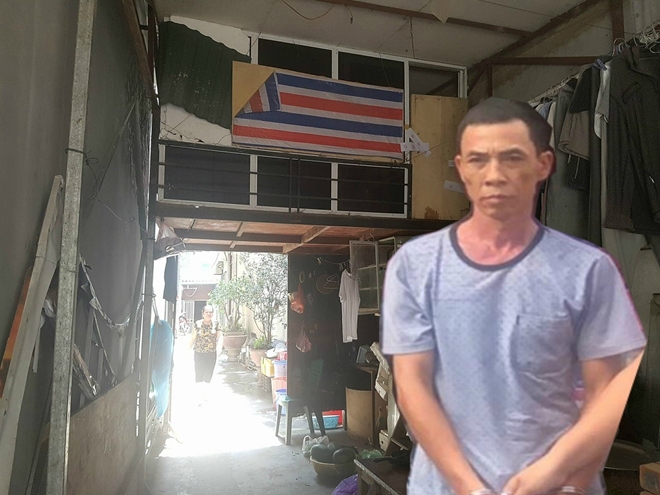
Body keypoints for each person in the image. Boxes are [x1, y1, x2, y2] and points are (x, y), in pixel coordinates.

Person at [380, 97, 647, 495]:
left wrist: (550, 471)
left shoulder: (589, 270)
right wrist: (469, 486)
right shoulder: (415, 266)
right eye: (478, 160)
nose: (494, 175)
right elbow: (412, 385)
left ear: (543, 164)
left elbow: (607, 393)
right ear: (461, 168)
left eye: (512, 158)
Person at [189, 304, 220, 405]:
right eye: (206, 312)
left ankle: (204, 394)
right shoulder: (197, 324)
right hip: (199, 353)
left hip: (211, 353)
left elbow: (219, 338)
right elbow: (193, 338)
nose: (208, 314)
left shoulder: (216, 324)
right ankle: (199, 396)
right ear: (203, 313)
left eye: (210, 312)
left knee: (208, 374)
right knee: (199, 374)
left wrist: (219, 350)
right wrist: (188, 349)